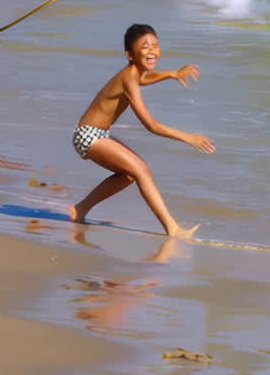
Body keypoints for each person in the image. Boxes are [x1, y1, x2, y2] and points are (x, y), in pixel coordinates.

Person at [67, 23, 214, 239]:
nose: (152, 50)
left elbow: (144, 79)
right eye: (145, 47)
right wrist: (188, 137)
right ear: (129, 54)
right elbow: (151, 125)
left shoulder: (134, 74)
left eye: (155, 45)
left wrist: (172, 74)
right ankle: (173, 229)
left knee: (128, 175)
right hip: (88, 135)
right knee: (142, 170)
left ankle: (79, 210)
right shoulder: (128, 77)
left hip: (94, 134)